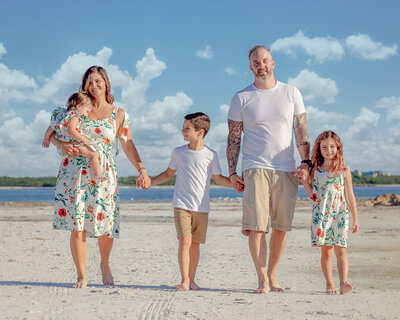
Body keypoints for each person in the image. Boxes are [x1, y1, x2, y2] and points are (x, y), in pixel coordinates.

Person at [49, 66, 151, 288]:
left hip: (103, 173)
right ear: (84, 86)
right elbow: (54, 132)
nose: (94, 87)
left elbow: (127, 144)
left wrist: (141, 168)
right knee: (78, 223)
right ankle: (81, 275)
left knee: (105, 223)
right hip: (74, 172)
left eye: (97, 81)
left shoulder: (119, 114)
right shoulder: (77, 109)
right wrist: (62, 144)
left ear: (106, 82)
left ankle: (104, 264)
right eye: (89, 83)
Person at [227, 45, 311, 293]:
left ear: (273, 63)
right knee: (256, 226)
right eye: (256, 62)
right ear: (250, 67)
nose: (261, 65)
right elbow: (233, 138)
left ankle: (273, 275)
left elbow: (301, 130)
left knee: (282, 227)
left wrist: (305, 162)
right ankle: (262, 277)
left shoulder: (291, 93)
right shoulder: (241, 98)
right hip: (255, 167)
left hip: (286, 167)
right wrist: (233, 172)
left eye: (265, 60)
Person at [151, 112, 241, 291]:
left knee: (195, 244)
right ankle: (184, 280)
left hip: (202, 207)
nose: (183, 132)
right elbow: (168, 174)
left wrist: (235, 185)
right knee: (184, 240)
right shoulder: (179, 152)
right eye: (183, 128)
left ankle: (192, 280)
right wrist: (150, 182)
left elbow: (219, 178)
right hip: (181, 205)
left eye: (187, 129)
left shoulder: (211, 155)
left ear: (200, 132)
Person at [298, 130, 358, 294]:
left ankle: (343, 282)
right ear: (319, 149)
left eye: (332, 146)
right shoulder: (316, 170)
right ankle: (329, 284)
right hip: (322, 214)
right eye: (325, 147)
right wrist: (304, 182)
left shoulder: (344, 170)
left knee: (341, 249)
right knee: (327, 251)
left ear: (338, 148)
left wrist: (355, 218)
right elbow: (314, 195)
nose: (329, 150)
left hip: (340, 214)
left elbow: (350, 195)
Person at [42, 92, 108, 180]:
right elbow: (71, 130)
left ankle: (96, 173)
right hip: (73, 144)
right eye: (87, 111)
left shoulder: (61, 116)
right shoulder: (75, 116)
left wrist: (46, 138)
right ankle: (97, 173)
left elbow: (51, 127)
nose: (87, 115)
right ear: (79, 106)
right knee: (93, 154)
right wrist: (85, 140)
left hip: (63, 144)